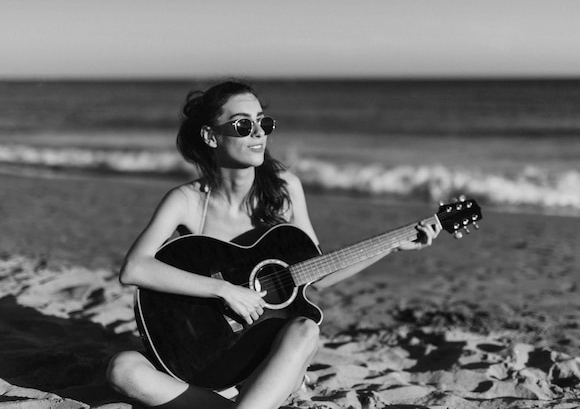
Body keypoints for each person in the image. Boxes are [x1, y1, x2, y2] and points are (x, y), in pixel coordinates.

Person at [106, 80, 440, 409]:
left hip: (267, 366)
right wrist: (223, 290)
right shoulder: (187, 201)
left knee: (305, 329)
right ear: (211, 136)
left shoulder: (284, 191)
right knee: (123, 370)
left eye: (263, 122)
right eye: (243, 124)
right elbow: (135, 268)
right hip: (203, 356)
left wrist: (394, 244)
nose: (258, 133)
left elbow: (318, 275)